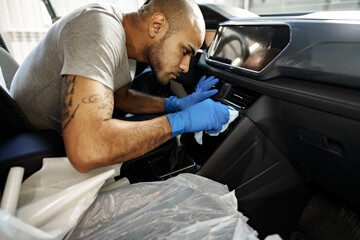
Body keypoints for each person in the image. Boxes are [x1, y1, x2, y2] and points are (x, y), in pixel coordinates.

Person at [10, 0, 229, 173]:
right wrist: (182, 121)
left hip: (48, 134)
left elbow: (121, 98)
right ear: (157, 25)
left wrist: (175, 104)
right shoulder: (98, 27)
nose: (185, 66)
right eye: (185, 50)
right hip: (34, 142)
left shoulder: (126, 43)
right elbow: (87, 148)